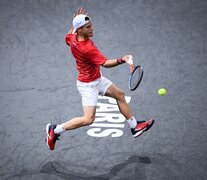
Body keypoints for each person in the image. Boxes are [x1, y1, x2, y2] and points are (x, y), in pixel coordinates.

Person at [46, 8, 154, 150]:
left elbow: (68, 36)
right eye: (88, 27)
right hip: (88, 85)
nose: (92, 29)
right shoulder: (87, 48)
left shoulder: (72, 38)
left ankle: (134, 127)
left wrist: (76, 21)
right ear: (80, 30)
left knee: (119, 94)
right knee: (88, 119)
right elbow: (106, 64)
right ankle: (55, 130)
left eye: (91, 25)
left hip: (97, 79)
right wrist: (123, 59)